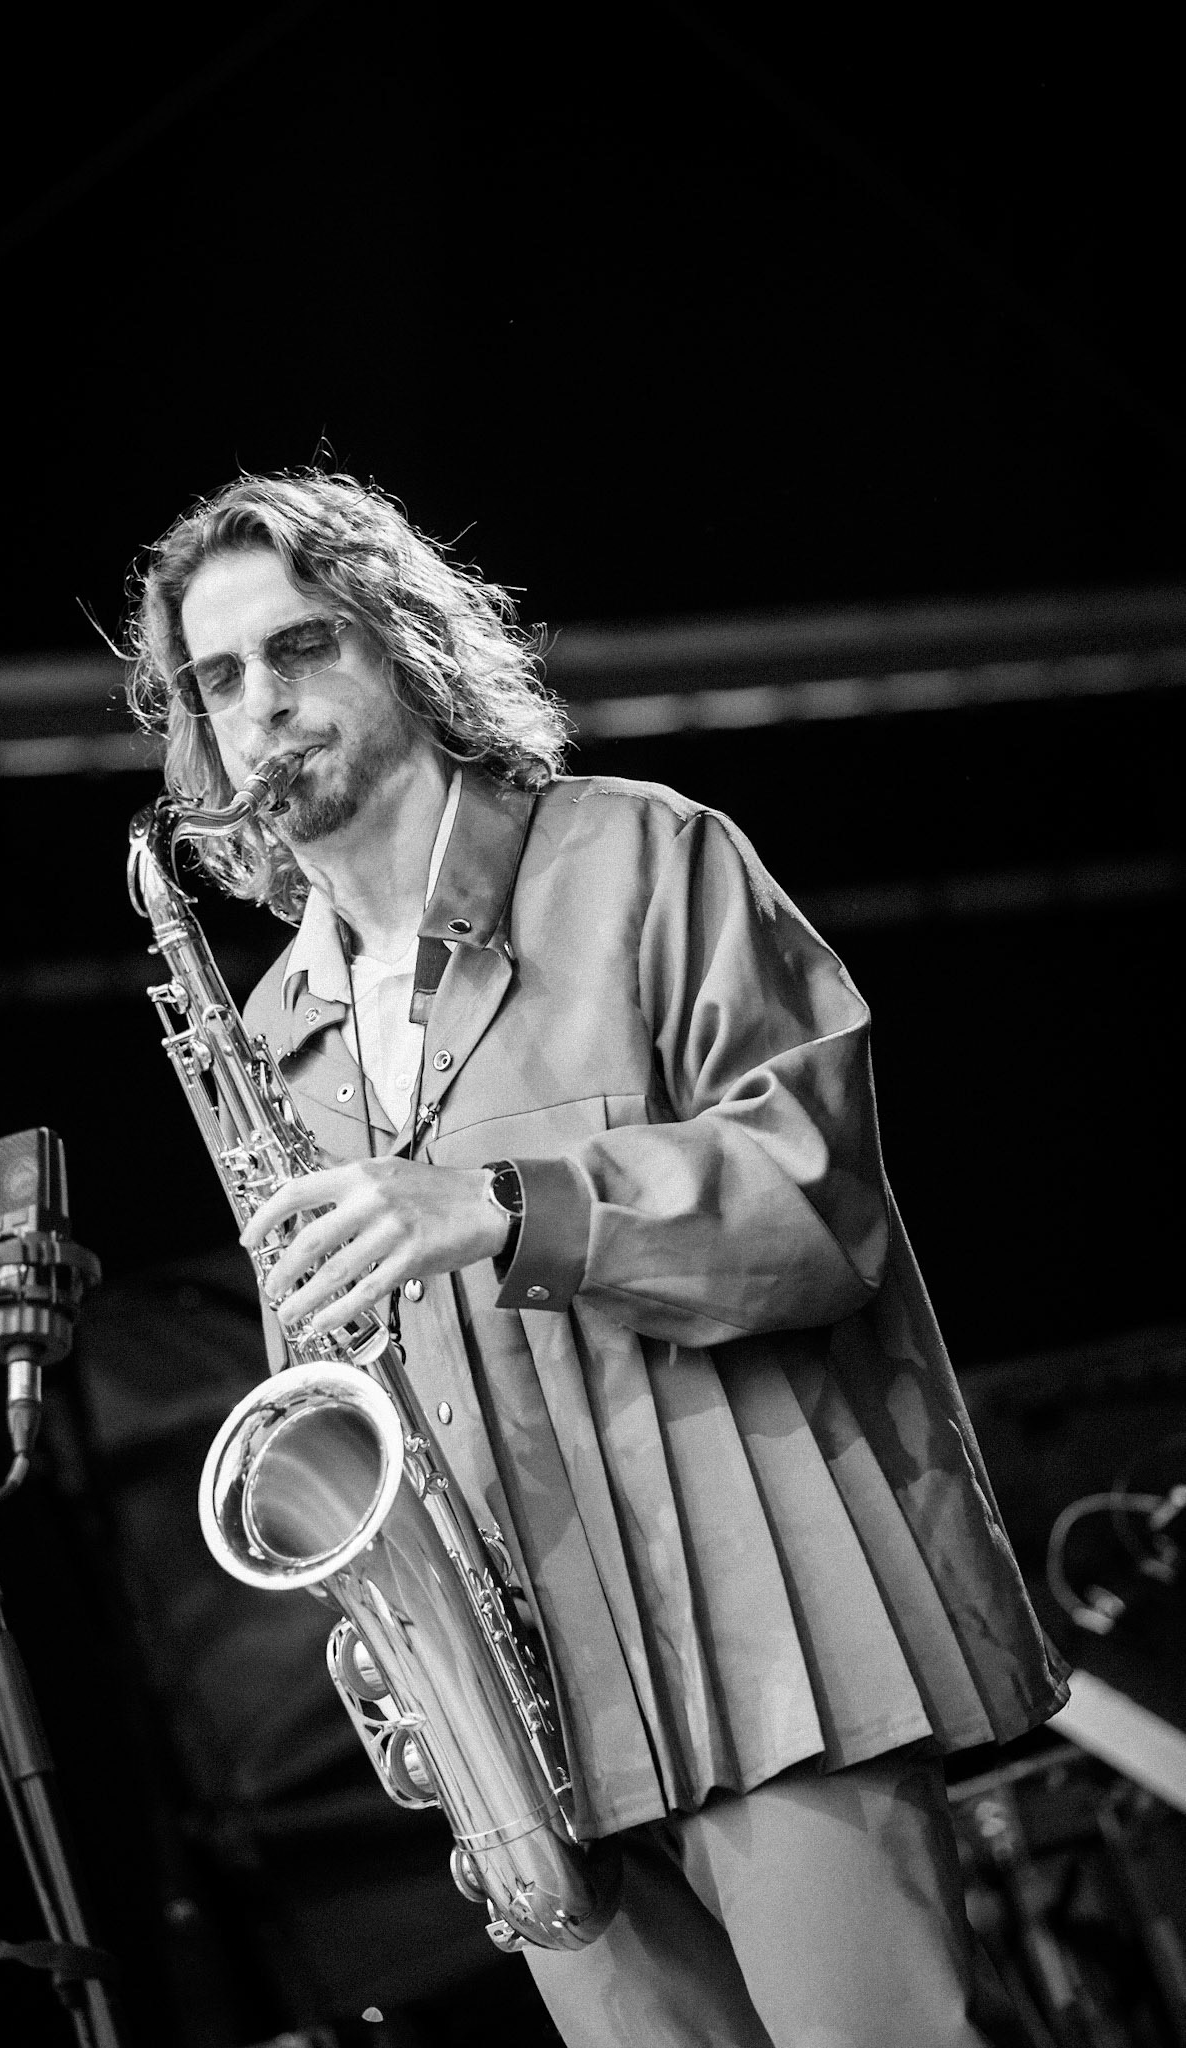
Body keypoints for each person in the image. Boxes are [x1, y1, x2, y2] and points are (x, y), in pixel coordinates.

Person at [125, 469, 1069, 2048]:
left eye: (298, 649)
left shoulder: (644, 857)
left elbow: (811, 1199)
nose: (257, 708)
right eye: (217, 680)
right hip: (523, 1712)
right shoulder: (269, 1036)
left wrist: (499, 1203)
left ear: (406, 647)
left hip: (772, 1646)